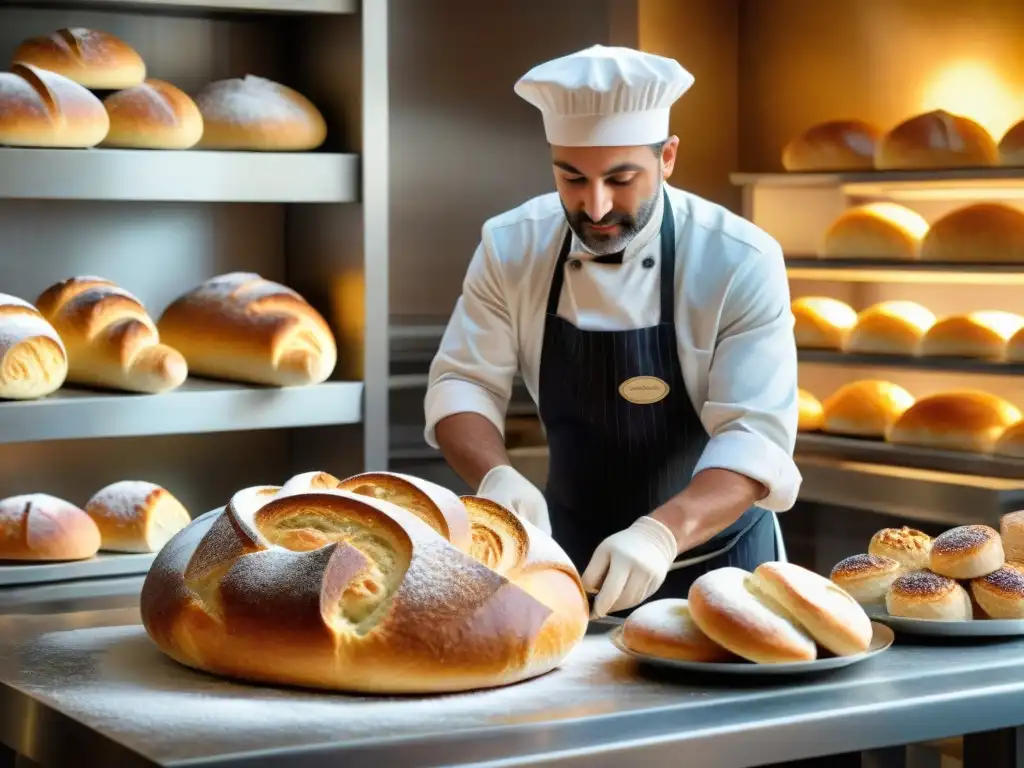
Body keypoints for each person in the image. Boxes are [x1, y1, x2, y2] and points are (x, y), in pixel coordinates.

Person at [423, 44, 801, 619]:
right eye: (571, 178)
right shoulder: (512, 245)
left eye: (622, 179)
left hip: (722, 565)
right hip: (569, 564)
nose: (595, 206)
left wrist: (659, 535)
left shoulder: (738, 258)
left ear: (668, 157)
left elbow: (755, 436)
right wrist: (495, 476)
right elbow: (462, 384)